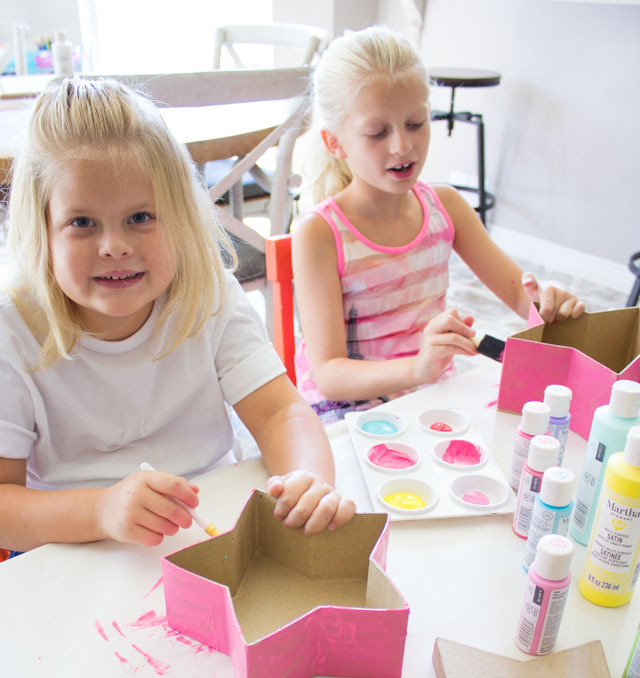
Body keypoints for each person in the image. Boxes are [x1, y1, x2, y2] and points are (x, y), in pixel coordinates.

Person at [0, 77, 356, 554]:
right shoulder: (13, 327)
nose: (115, 246)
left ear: (181, 216)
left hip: (209, 526)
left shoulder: (206, 294)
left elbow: (281, 412)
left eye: (141, 217)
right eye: (82, 223)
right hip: (71, 546)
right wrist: (102, 510)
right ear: (41, 229)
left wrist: (309, 478)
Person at [292, 26, 585, 423]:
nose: (402, 146)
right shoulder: (319, 234)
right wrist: (418, 367)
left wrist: (548, 304)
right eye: (378, 133)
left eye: (416, 123)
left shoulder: (445, 206)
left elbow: (521, 297)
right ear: (335, 143)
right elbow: (329, 375)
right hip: (348, 411)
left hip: (429, 393)